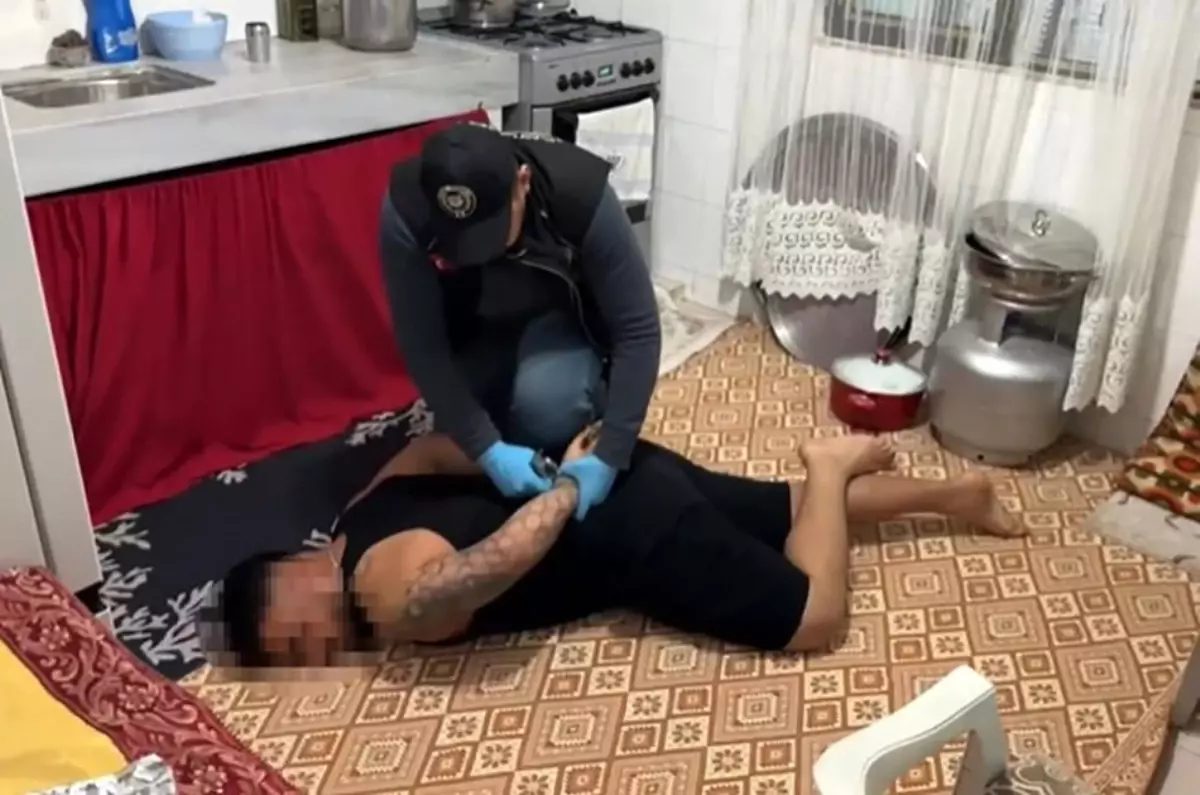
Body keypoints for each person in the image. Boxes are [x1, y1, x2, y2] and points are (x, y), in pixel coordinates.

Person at [209, 428, 1022, 669]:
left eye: (298, 632)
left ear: (293, 575)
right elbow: (430, 449)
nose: (319, 645)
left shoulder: (381, 595)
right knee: (781, 510)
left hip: (633, 529)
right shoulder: (357, 510)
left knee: (813, 616)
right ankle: (956, 495)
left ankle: (832, 461)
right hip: (628, 465)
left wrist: (564, 489)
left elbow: (494, 562)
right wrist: (535, 462)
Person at [379, 122, 661, 519]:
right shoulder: (408, 208)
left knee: (545, 414)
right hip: (476, 323)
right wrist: (487, 451)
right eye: (462, 240)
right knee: (461, 430)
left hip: (560, 318)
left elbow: (639, 328)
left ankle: (590, 397)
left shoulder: (580, 193)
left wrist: (612, 451)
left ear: (523, 183)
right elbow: (421, 344)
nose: (479, 252)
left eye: (489, 233)